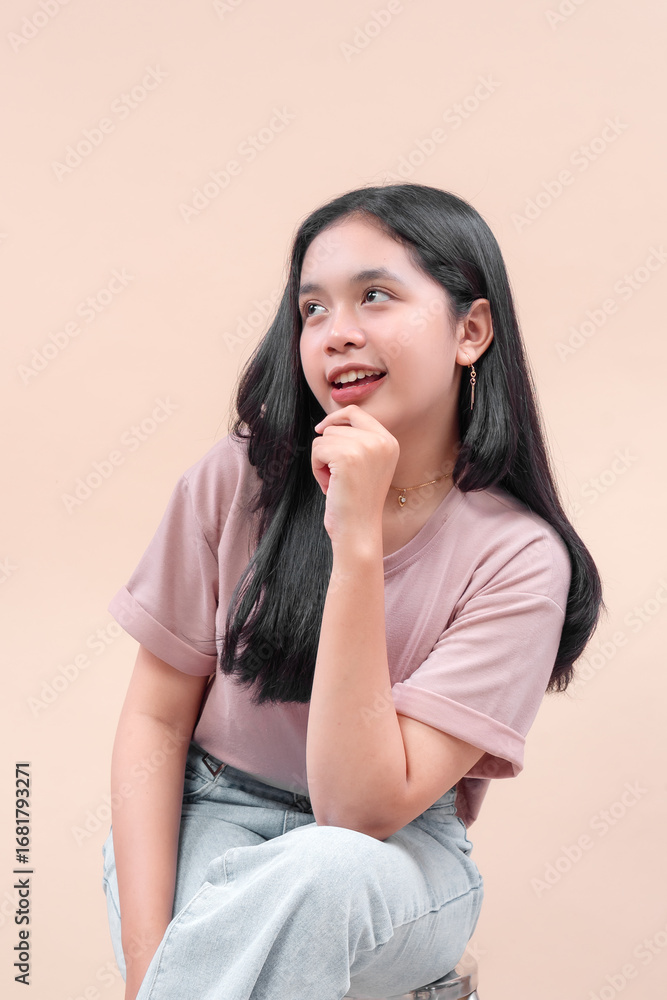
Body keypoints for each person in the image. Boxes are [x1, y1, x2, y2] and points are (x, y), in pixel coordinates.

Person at [102, 182, 604, 1000]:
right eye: (311, 309)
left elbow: (357, 811)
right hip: (215, 814)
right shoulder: (235, 481)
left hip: (395, 859)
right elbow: (156, 719)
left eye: (374, 295)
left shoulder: (519, 559)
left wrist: (357, 538)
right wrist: (146, 967)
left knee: (317, 872)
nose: (336, 334)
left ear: (469, 331)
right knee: (212, 914)